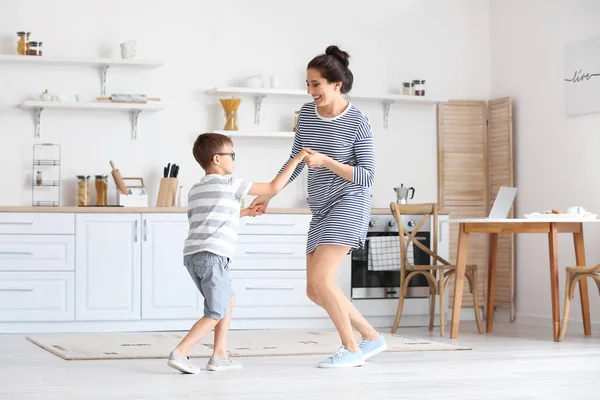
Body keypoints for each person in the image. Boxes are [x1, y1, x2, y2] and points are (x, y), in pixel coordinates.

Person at [250, 45, 386, 368]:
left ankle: (351, 348)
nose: (311, 91)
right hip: (321, 206)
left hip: (350, 201)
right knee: (314, 290)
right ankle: (372, 337)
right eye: (308, 84)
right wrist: (270, 193)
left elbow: (367, 176)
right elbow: (296, 158)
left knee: (323, 279)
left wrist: (326, 161)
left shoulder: (358, 121)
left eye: (316, 85)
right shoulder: (307, 114)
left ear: (336, 84)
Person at [167, 133, 307, 374]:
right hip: (214, 257)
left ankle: (219, 355)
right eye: (231, 154)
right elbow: (273, 187)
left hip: (194, 257)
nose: (234, 159)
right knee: (216, 310)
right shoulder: (230, 183)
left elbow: (210, 220)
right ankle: (180, 352)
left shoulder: (196, 189)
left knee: (226, 301)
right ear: (217, 159)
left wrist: (245, 213)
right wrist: (298, 160)